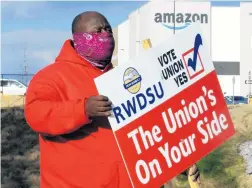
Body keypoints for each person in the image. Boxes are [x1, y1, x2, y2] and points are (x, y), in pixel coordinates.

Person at [24, 11, 200, 188]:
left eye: (108, 29)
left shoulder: (123, 78)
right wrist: (82, 109)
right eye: (97, 30)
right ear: (78, 39)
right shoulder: (51, 77)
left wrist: (175, 160)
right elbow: (36, 115)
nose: (105, 34)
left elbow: (147, 133)